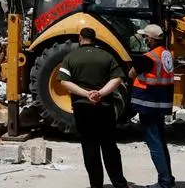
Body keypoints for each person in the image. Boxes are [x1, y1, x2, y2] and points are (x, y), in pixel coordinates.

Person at [58, 27, 130, 188]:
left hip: (82, 108)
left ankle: (96, 184)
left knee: (90, 147)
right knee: (109, 146)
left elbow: (63, 81)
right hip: (105, 107)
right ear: (95, 38)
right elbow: (118, 78)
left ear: (80, 38)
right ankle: (119, 183)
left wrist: (86, 94)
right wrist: (101, 93)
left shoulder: (70, 57)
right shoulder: (107, 56)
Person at [130, 24, 176, 188]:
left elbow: (132, 73)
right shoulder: (167, 54)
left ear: (152, 38)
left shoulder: (149, 57)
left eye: (146, 37)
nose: (144, 39)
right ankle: (168, 178)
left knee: (155, 144)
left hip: (148, 103)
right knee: (160, 142)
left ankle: (164, 182)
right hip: (161, 102)